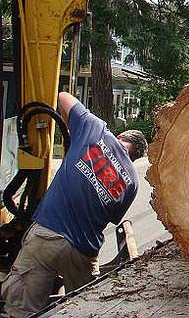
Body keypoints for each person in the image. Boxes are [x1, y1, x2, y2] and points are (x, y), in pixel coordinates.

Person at [0, 92, 148, 318]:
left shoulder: (95, 128)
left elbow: (63, 97)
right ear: (135, 157)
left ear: (120, 136)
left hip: (47, 234)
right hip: (83, 250)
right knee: (82, 308)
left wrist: (73, 128)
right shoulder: (132, 182)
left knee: (21, 309)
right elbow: (108, 216)